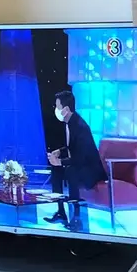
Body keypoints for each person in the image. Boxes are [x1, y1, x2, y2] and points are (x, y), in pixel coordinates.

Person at [46, 89, 107, 230]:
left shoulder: (80, 126)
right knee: (56, 169)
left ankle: (77, 217)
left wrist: (61, 161)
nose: (55, 109)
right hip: (79, 164)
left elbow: (80, 158)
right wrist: (59, 153)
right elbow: (71, 147)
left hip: (91, 169)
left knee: (71, 170)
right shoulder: (70, 122)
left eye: (58, 107)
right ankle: (61, 212)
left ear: (66, 109)